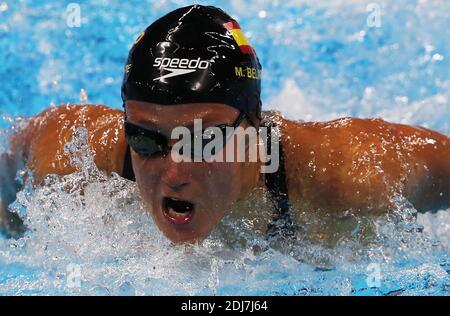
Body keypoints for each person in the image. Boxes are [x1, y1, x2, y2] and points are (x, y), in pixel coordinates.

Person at [1, 5, 449, 245]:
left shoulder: (349, 173)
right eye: (144, 137)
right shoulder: (68, 156)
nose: (174, 173)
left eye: (204, 139)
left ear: (253, 126)